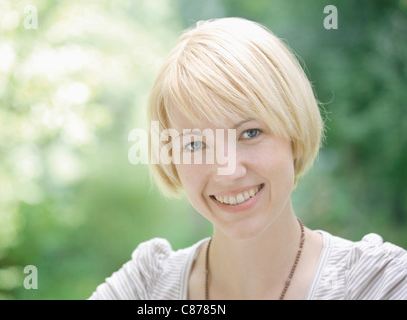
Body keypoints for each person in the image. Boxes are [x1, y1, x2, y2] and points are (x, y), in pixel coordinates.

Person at [89, 17, 406, 300]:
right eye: (197, 144)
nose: (228, 171)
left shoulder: (377, 284)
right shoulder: (146, 286)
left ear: (293, 133)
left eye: (250, 133)